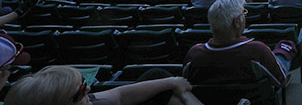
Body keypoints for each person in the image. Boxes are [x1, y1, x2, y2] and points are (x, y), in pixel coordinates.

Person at [183, 0, 297, 89]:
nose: (245, 16)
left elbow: (186, 86)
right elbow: (281, 82)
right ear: (237, 22)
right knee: (284, 48)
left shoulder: (194, 54)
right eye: (244, 13)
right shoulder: (257, 51)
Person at [4, 65, 201, 105]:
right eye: (81, 90)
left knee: (157, 76)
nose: (89, 88)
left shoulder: (89, 102)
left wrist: (172, 81)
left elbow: (120, 95)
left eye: (84, 82)